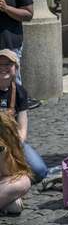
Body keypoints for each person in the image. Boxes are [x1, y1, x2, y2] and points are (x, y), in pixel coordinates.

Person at [0, 49, 46, 182]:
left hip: (13, 140)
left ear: (16, 68)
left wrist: (16, 145)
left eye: (8, 64)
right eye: (0, 65)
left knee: (39, 171)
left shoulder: (19, 92)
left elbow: (22, 127)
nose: (3, 68)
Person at [0, 111, 32, 215]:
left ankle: (6, 200)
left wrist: (2, 152)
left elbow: (9, 173)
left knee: (23, 181)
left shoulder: (4, 123)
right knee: (14, 206)